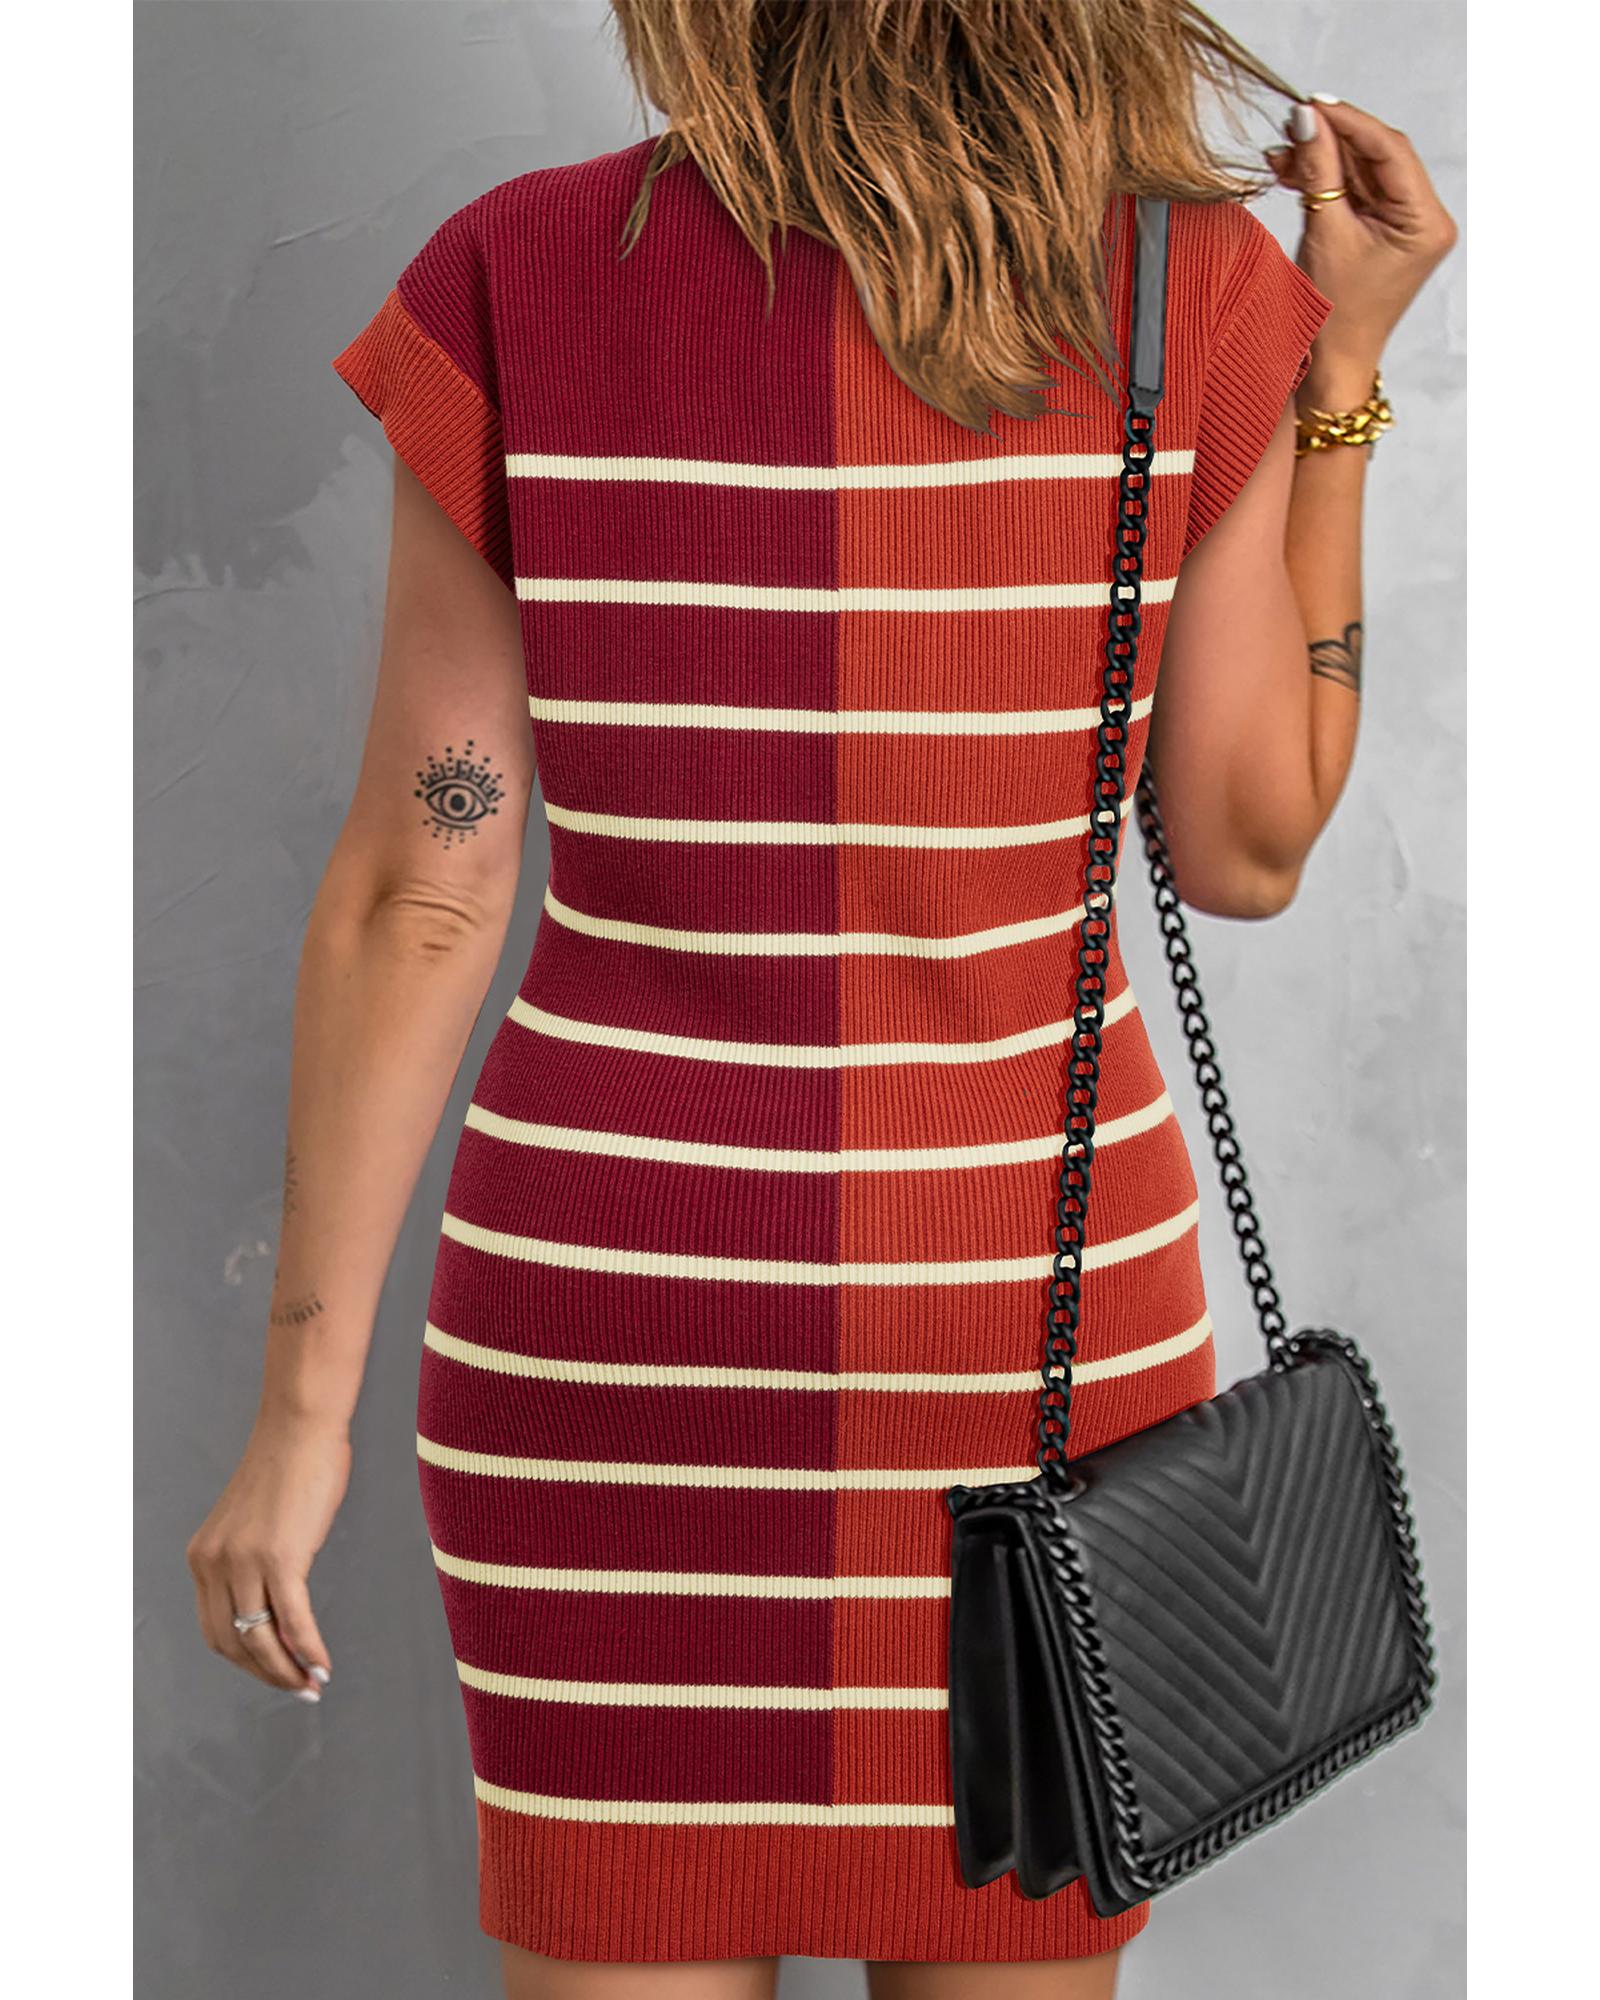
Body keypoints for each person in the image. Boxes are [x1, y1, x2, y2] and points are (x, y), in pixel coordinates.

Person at [185, 3, 1457, 1995]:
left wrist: (300, 1414)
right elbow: (1244, 845)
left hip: (613, 1367)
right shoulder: (1185, 287)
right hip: (1028, 1361)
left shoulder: (517, 275)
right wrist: (1340, 375)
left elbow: (428, 881)